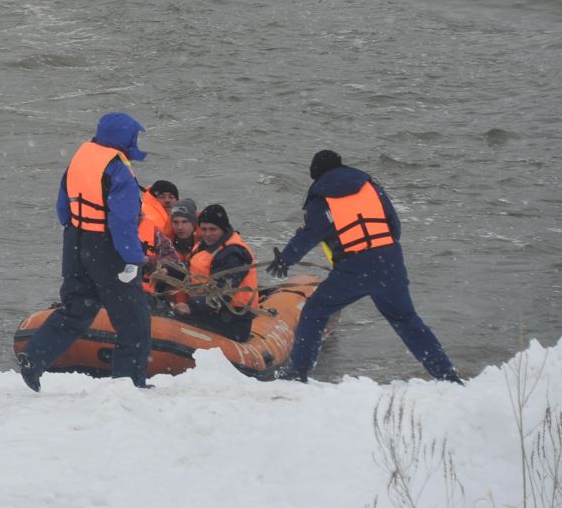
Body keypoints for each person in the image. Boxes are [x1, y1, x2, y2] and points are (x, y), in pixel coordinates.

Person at [266, 150, 459, 383]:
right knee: (406, 320)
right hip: (389, 262)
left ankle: (298, 372)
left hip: (354, 267)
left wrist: (285, 260)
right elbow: (394, 225)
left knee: (315, 313)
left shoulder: (322, 197)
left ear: (316, 174)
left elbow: (311, 234)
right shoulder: (370, 186)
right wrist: (382, 253)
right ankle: (447, 375)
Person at [16, 112, 153, 391]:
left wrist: (79, 237)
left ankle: (34, 356)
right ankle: (130, 385)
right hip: (108, 249)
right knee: (133, 320)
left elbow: (62, 208)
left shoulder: (80, 159)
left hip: (75, 242)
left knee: (76, 310)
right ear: (124, 138)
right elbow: (122, 222)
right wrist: (134, 259)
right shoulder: (119, 170)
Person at [177, 204, 257, 339]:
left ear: (223, 229)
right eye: (204, 229)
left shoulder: (234, 254)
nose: (207, 234)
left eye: (213, 229)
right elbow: (189, 272)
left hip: (233, 320)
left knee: (175, 321)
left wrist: (191, 306)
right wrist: (168, 271)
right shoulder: (203, 246)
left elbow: (222, 292)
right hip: (209, 313)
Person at [138, 179, 180, 293]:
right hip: (147, 287)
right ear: (154, 199)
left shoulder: (167, 218)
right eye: (162, 197)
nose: (167, 201)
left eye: (171, 197)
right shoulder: (153, 220)